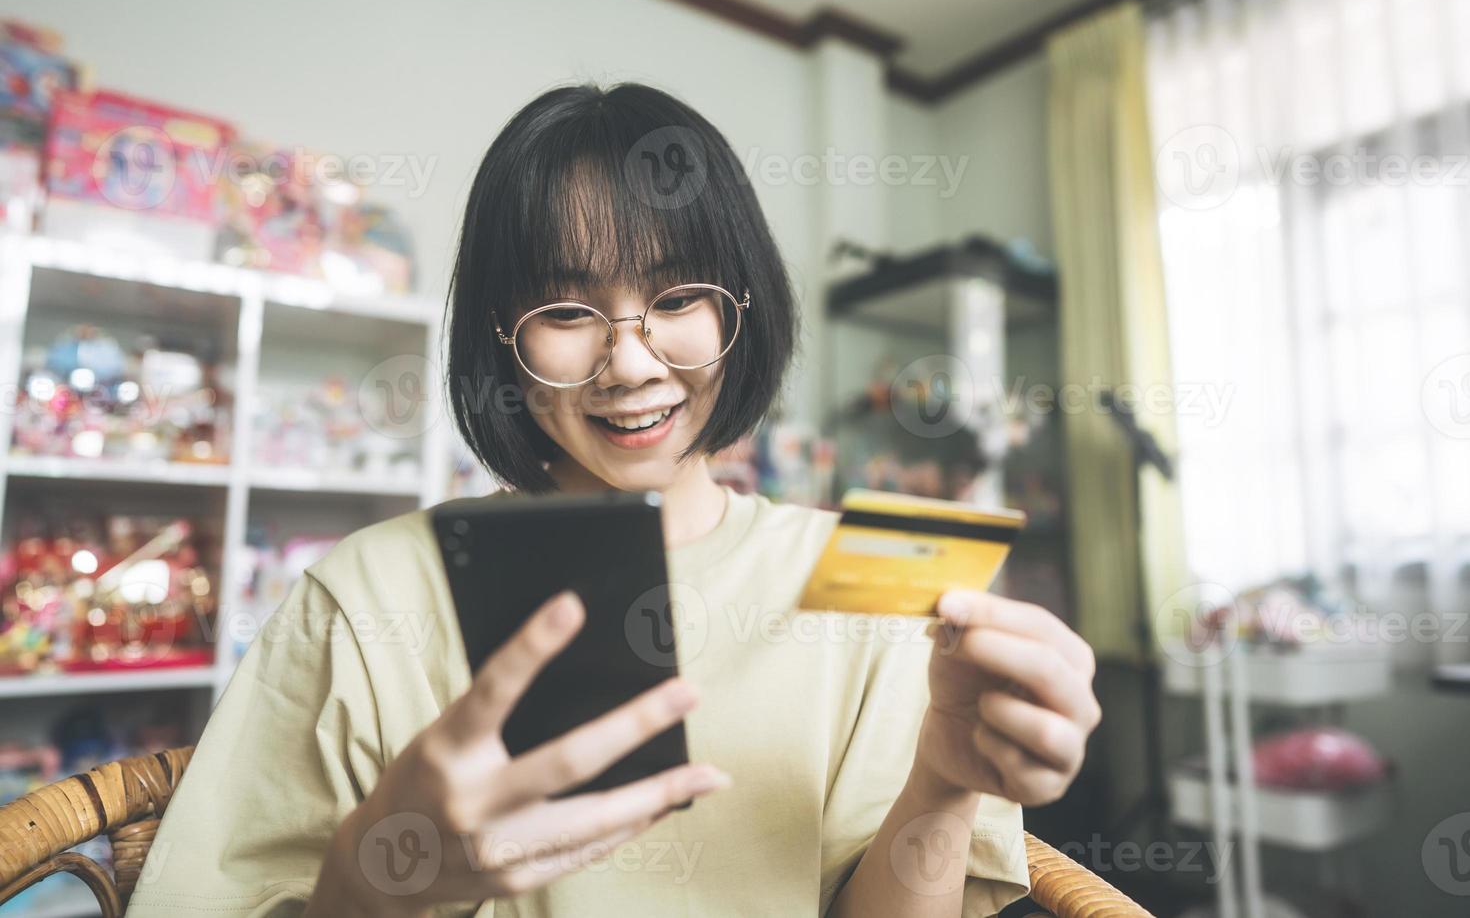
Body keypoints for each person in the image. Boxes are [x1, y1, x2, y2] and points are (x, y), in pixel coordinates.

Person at [124, 83, 1100, 918]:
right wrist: (383, 862)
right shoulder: (359, 596)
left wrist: (942, 778)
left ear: (739, 304)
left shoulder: (869, 582)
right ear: (502, 334)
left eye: (678, 296)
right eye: (565, 310)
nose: (631, 362)